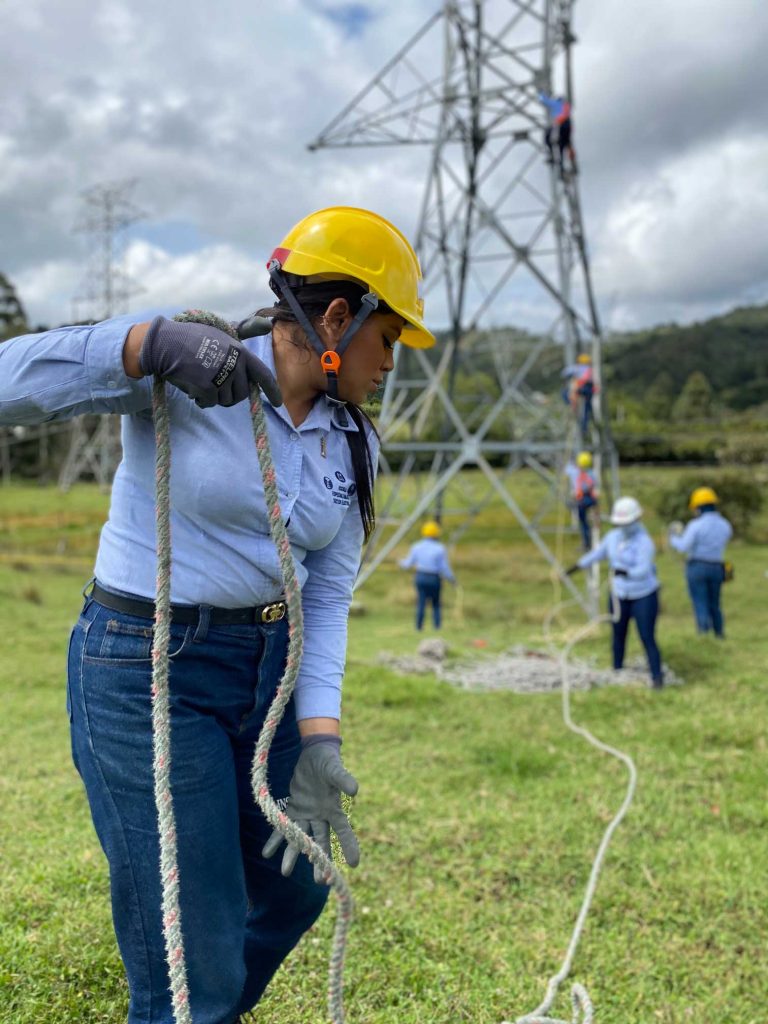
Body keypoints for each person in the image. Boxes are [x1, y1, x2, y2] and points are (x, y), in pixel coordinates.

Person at [0, 206, 435, 1024]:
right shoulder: (187, 366)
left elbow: (327, 596)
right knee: (191, 958)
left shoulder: (354, 442)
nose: (390, 363)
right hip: (146, 668)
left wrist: (321, 738)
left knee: (296, 886)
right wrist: (141, 345)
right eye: (388, 339)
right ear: (338, 319)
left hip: (266, 674)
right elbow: (6, 384)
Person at [566, 496, 664, 689]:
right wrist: (577, 566)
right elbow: (598, 553)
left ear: (637, 519)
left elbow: (643, 569)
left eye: (627, 523)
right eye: (620, 523)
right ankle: (617, 671)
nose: (623, 527)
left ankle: (657, 677)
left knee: (647, 636)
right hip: (619, 595)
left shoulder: (644, 542)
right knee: (618, 634)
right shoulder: (613, 537)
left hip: (643, 595)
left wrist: (626, 572)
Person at [668, 486, 733, 638]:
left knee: (700, 602)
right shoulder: (725, 524)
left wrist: (673, 538)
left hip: (697, 567)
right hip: (717, 566)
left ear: (698, 507)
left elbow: (683, 547)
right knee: (715, 603)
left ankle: (703, 636)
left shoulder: (695, 525)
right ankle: (719, 634)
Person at [399, 520, 455, 630]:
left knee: (421, 602)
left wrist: (400, 562)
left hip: (421, 577)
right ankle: (437, 627)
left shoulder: (416, 546)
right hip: (434, 578)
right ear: (436, 533)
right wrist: (452, 579)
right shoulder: (440, 548)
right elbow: (444, 567)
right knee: (436, 603)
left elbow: (407, 564)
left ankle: (419, 627)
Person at [564, 451, 598, 550]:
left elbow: (567, 469)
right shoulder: (592, 473)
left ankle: (587, 543)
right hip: (591, 499)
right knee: (587, 522)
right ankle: (590, 540)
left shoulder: (575, 472)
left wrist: (569, 458)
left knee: (583, 522)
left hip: (582, 500)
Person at [538, 90, 577, 174]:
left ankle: (553, 157)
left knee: (548, 138)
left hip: (560, 125)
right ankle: (570, 165)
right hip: (566, 126)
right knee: (565, 144)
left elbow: (544, 100)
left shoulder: (557, 104)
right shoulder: (566, 106)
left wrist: (540, 93)